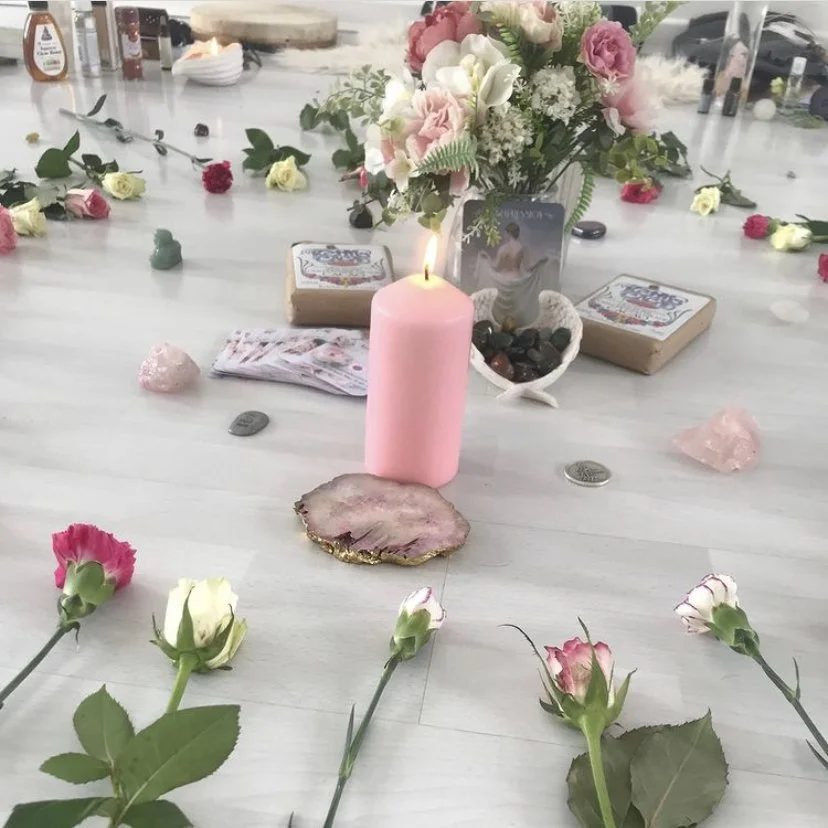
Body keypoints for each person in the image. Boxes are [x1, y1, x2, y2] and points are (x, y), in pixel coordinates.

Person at [475, 223, 549, 326]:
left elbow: (496, 267)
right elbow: (528, 268)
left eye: (505, 233)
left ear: (508, 233)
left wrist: (486, 257)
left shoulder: (503, 248)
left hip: (502, 281)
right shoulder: (522, 248)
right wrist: (539, 263)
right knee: (515, 308)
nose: (504, 235)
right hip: (517, 280)